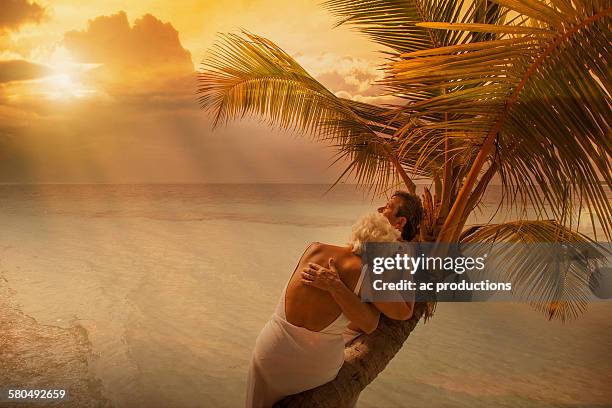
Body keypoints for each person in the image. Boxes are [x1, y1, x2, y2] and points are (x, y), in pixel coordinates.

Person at [245, 191, 424, 408]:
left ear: (400, 221)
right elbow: (382, 318)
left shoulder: (315, 248)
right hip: (319, 353)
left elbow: (402, 310)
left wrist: (337, 286)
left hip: (268, 348)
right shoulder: (372, 268)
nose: (380, 209)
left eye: (386, 206)